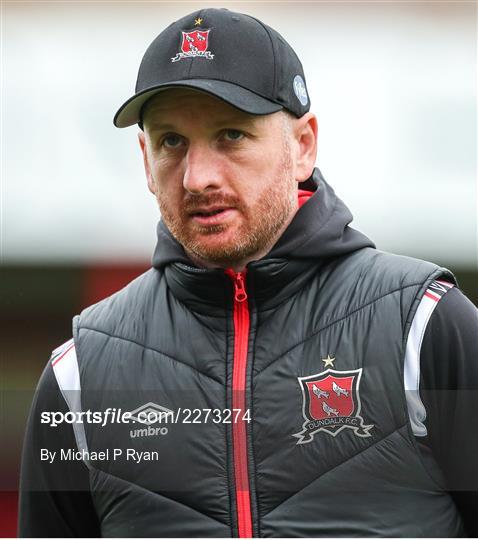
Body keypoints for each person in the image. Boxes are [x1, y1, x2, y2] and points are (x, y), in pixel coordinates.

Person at [18, 7, 477, 538]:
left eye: (231, 135)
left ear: (303, 145)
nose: (198, 177)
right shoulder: (79, 377)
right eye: (172, 142)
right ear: (145, 159)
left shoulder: (424, 330)